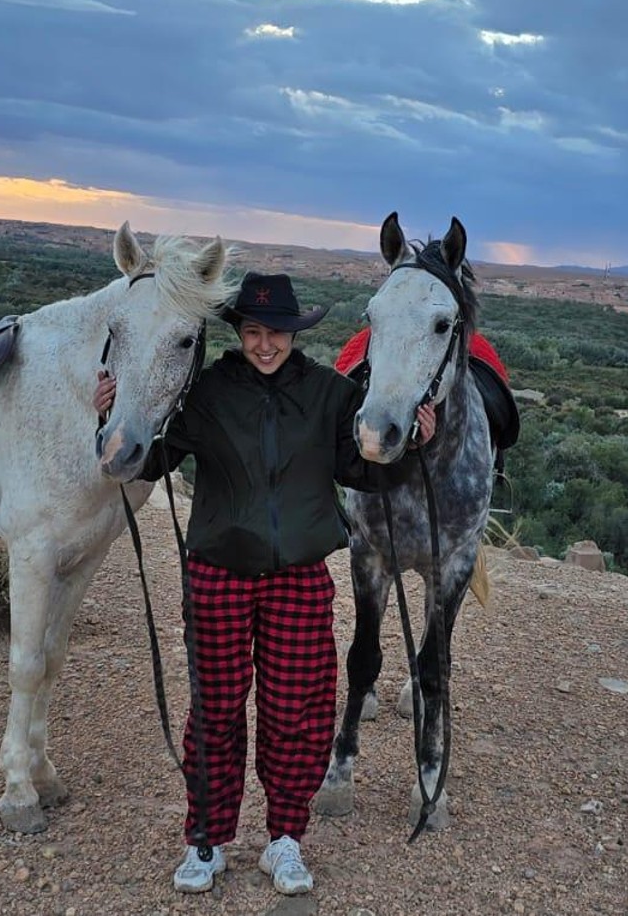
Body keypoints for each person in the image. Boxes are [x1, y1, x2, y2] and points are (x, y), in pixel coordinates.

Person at [93, 272, 435, 897]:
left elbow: (363, 471)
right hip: (218, 571)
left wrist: (412, 447)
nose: (265, 344)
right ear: (241, 334)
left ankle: (284, 840)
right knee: (215, 711)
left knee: (296, 713)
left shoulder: (330, 394)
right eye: (253, 332)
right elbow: (157, 457)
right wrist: (120, 413)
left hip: (299, 576)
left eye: (276, 332)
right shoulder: (208, 391)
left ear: (294, 333)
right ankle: (208, 838)